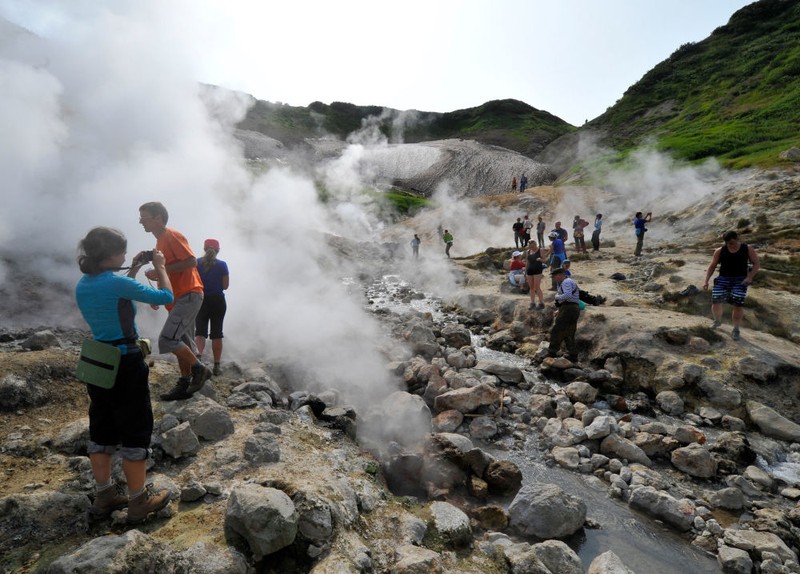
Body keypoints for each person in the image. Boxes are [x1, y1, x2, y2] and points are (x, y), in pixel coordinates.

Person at [75, 227, 174, 523]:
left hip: (97, 360)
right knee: (135, 428)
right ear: (110, 255)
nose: (123, 255)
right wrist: (160, 267)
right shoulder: (115, 284)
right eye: (122, 252)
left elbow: (117, 291)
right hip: (126, 362)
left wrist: (132, 268)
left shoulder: (84, 283)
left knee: (102, 427)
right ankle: (138, 501)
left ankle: (105, 494)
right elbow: (165, 295)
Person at [138, 201, 212, 400]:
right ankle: (185, 384)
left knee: (168, 339)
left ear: (158, 218)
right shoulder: (160, 241)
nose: (140, 222)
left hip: (189, 294)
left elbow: (190, 261)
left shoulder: (171, 235)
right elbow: (169, 273)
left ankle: (200, 370)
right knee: (181, 342)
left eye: (143, 217)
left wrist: (160, 270)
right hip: (179, 297)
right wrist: (160, 294)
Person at [702, 230, 760, 341]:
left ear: (737, 239)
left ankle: (736, 329)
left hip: (740, 280)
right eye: (727, 243)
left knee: (737, 304)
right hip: (723, 278)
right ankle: (717, 321)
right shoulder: (720, 251)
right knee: (716, 301)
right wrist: (706, 281)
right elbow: (712, 266)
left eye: (732, 242)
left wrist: (749, 277)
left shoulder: (747, 249)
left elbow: (756, 263)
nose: (730, 245)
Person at [194, 239, 230, 376]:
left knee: (200, 332)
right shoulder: (222, 265)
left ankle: (197, 363)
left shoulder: (196, 263)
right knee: (217, 333)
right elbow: (225, 286)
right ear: (218, 250)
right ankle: (216, 366)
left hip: (201, 299)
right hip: (218, 301)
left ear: (204, 249)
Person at [548, 267, 581, 362]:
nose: (554, 279)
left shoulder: (566, 282)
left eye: (554, 277)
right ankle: (573, 355)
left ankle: (552, 352)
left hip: (569, 308)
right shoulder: (567, 282)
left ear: (560, 275)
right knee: (569, 332)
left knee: (557, 330)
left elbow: (567, 295)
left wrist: (557, 296)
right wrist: (559, 310)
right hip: (573, 308)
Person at [526, 241, 548, 310]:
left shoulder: (540, 250)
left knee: (537, 287)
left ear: (535, 245)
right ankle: (532, 302)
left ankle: (541, 303)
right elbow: (527, 262)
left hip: (537, 271)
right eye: (530, 246)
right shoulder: (528, 251)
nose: (531, 248)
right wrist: (525, 271)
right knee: (531, 287)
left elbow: (545, 260)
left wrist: (540, 259)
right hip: (529, 271)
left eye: (532, 246)